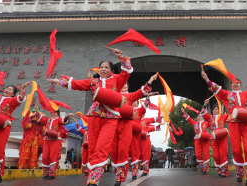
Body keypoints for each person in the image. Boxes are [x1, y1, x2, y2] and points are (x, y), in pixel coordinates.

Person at [48, 48, 132, 186]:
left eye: (106, 67)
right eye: (101, 67)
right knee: (93, 147)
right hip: (94, 116)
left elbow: (127, 71)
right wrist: (58, 81)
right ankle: (93, 179)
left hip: (110, 118)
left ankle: (95, 179)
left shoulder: (118, 80)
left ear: (112, 70)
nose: (103, 69)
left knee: (103, 147)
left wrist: (122, 57)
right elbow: (76, 84)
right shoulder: (94, 82)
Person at [201, 70, 247, 184]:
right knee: (237, 150)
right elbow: (215, 89)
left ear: (240, 84)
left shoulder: (246, 94)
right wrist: (206, 78)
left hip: (246, 122)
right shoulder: (227, 94)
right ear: (231, 85)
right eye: (233, 83)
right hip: (234, 123)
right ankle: (240, 173)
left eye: (237, 83)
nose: (235, 84)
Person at [0, 71, 30, 186]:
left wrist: (22, 88)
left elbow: (21, 98)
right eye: (6, 88)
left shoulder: (12, 100)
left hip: (3, 126)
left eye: (10, 89)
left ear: (13, 94)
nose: (7, 90)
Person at [111, 74, 157, 186]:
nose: (124, 86)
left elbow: (141, 92)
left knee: (127, 152)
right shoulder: (113, 95)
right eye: (122, 84)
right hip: (113, 126)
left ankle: (121, 177)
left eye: (126, 84)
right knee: (114, 151)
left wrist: (150, 81)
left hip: (129, 129)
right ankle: (118, 173)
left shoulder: (131, 98)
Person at [32, 105, 72, 179]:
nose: (51, 113)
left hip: (55, 140)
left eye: (53, 112)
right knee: (45, 157)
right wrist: (37, 111)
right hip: (47, 140)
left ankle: (52, 174)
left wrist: (67, 116)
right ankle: (45, 173)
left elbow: (64, 120)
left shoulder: (59, 120)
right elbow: (40, 118)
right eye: (51, 112)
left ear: (56, 113)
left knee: (52, 156)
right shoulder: (48, 120)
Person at [201, 99, 230, 177]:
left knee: (223, 154)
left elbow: (231, 113)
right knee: (215, 155)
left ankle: (224, 171)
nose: (215, 110)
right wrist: (205, 104)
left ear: (219, 110)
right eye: (214, 109)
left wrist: (228, 102)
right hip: (214, 138)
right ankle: (220, 169)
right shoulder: (210, 118)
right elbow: (203, 113)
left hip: (222, 137)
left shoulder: (223, 116)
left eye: (217, 109)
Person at [182, 108, 210, 174]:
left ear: (203, 117)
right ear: (197, 118)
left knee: (206, 154)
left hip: (205, 139)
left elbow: (211, 119)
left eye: (201, 116)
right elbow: (189, 119)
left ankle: (205, 169)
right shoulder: (195, 123)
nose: (199, 117)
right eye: (198, 116)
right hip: (197, 139)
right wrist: (184, 112)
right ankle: (201, 167)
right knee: (198, 154)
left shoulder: (206, 123)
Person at [18, 104, 45, 169]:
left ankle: (32, 166)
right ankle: (22, 166)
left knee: (34, 153)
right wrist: (30, 120)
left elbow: (44, 129)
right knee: (25, 151)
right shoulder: (28, 118)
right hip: (28, 138)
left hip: (36, 139)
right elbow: (26, 126)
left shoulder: (41, 121)